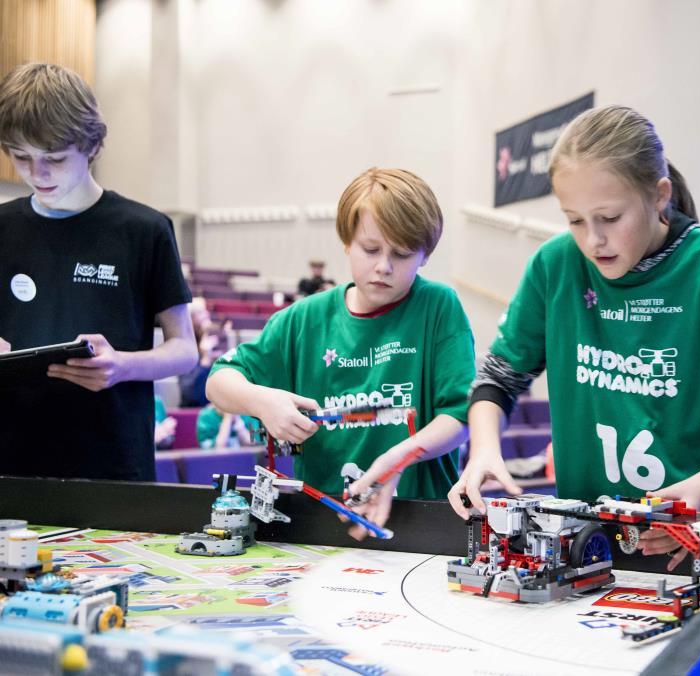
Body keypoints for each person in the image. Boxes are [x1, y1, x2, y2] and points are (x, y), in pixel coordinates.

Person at [448, 105, 700, 568]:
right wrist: (484, 451)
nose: (593, 240)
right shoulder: (554, 266)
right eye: (574, 220)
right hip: (596, 544)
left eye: (610, 218)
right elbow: (497, 381)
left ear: (659, 196)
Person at [206, 168, 475, 538]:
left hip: (421, 520)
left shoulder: (439, 307)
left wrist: (399, 457)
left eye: (401, 253)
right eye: (370, 249)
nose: (383, 266)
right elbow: (219, 381)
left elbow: (460, 417)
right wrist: (262, 402)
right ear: (346, 242)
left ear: (425, 255)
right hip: (323, 524)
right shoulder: (303, 320)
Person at [0, 63, 198, 481]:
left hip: (114, 465)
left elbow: (185, 350)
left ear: (91, 147)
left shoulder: (144, 230)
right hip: (13, 463)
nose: (38, 174)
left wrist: (122, 365)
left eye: (54, 158)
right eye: (22, 157)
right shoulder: (3, 228)